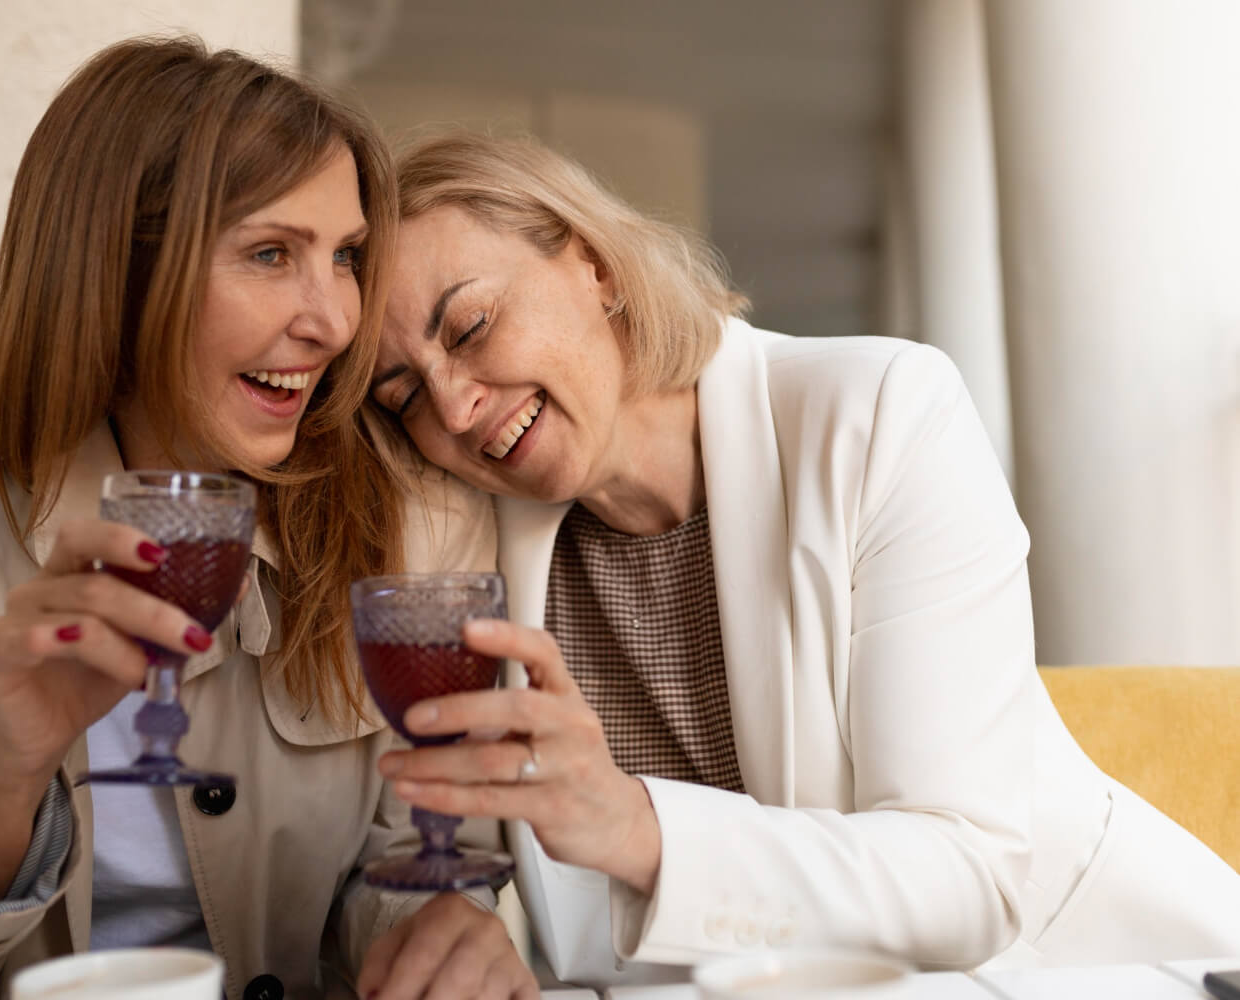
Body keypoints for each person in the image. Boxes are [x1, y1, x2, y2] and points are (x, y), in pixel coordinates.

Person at [355, 131, 1240, 983]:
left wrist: (638, 827)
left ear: (595, 267)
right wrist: (454, 919)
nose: (456, 407)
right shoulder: (480, 532)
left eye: (469, 327)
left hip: (1080, 972)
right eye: (404, 397)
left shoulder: (884, 415)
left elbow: (967, 874)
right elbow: (451, 836)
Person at [0, 40, 533, 1000]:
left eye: (346, 257)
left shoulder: (413, 516)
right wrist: (8, 775)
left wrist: (443, 934)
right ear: (117, 272)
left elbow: (409, 873)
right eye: (271, 254)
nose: (333, 320)